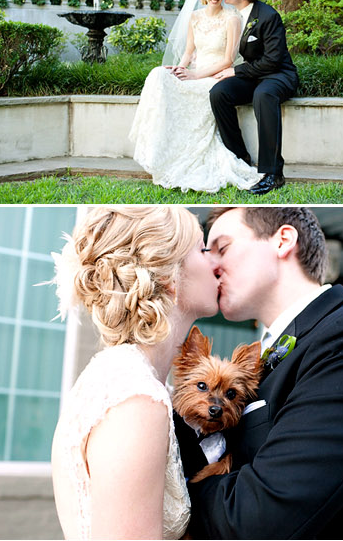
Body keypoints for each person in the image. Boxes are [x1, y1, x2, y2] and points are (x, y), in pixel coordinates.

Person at [179, 205, 343, 541]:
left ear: (283, 241)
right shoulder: (272, 353)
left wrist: (163, 492)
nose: (212, 264)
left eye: (223, 248)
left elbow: (263, 517)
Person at [51, 204, 220, 540]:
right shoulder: (134, 398)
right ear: (172, 278)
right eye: (203, 248)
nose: (216, 261)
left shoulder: (127, 378)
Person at [129, 0, 260, 192]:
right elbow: (189, 51)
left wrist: (196, 75)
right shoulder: (195, 17)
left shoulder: (232, 19)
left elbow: (228, 59)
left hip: (214, 76)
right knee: (158, 74)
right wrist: (180, 68)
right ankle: (156, 150)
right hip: (194, 72)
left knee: (199, 89)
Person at [209, 0, 298, 195]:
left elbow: (272, 61)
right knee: (219, 93)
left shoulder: (268, 16)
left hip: (278, 75)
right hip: (252, 75)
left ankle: (272, 173)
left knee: (264, 95)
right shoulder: (233, 14)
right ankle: (239, 157)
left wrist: (236, 71)